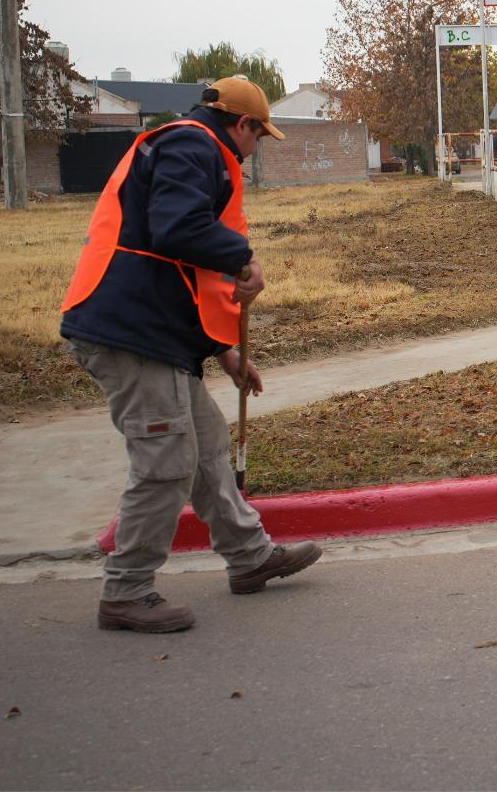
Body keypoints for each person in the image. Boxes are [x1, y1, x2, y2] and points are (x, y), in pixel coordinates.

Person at [61, 77, 322, 633]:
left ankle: (249, 557)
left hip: (154, 332)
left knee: (205, 445)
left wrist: (225, 351)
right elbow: (178, 228)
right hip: (129, 334)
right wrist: (243, 259)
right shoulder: (194, 145)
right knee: (166, 464)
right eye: (260, 136)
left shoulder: (192, 147)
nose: (257, 151)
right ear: (242, 125)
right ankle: (125, 592)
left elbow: (181, 270)